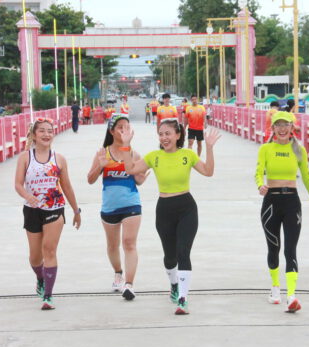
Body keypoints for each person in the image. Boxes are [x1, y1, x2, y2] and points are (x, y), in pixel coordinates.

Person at [120, 118, 221, 315]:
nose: (164, 137)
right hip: (164, 209)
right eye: (161, 134)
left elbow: (208, 172)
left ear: (178, 135)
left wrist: (209, 148)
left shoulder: (188, 155)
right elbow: (130, 169)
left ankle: (182, 298)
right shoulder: (154, 157)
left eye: (168, 133)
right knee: (170, 257)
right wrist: (125, 145)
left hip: (186, 208)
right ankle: (174, 283)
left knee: (183, 252)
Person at [255, 111, 309, 313]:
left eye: (286, 125)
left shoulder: (298, 150)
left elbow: (307, 178)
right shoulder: (266, 149)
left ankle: (292, 295)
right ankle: (275, 288)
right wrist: (260, 185)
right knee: (273, 247)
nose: (282, 128)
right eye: (278, 125)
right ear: (273, 128)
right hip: (271, 203)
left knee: (290, 249)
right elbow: (258, 172)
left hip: (292, 203)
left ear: (292, 128)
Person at [14, 117, 82, 310]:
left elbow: (66, 186)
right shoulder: (25, 157)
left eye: (50, 131)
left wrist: (76, 210)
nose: (46, 134)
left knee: (49, 250)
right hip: (32, 211)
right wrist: (28, 196)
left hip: (54, 208)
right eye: (42, 131)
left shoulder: (59, 159)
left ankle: (48, 296)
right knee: (35, 258)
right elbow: (18, 184)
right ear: (34, 135)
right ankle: (40, 277)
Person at [87, 114, 148, 300]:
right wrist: (100, 166)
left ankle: (129, 284)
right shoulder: (103, 153)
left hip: (131, 204)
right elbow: (90, 180)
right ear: (112, 131)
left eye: (127, 127)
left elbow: (138, 180)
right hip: (109, 207)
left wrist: (142, 176)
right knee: (113, 245)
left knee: (129, 243)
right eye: (120, 127)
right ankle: (118, 273)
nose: (124, 130)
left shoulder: (134, 154)